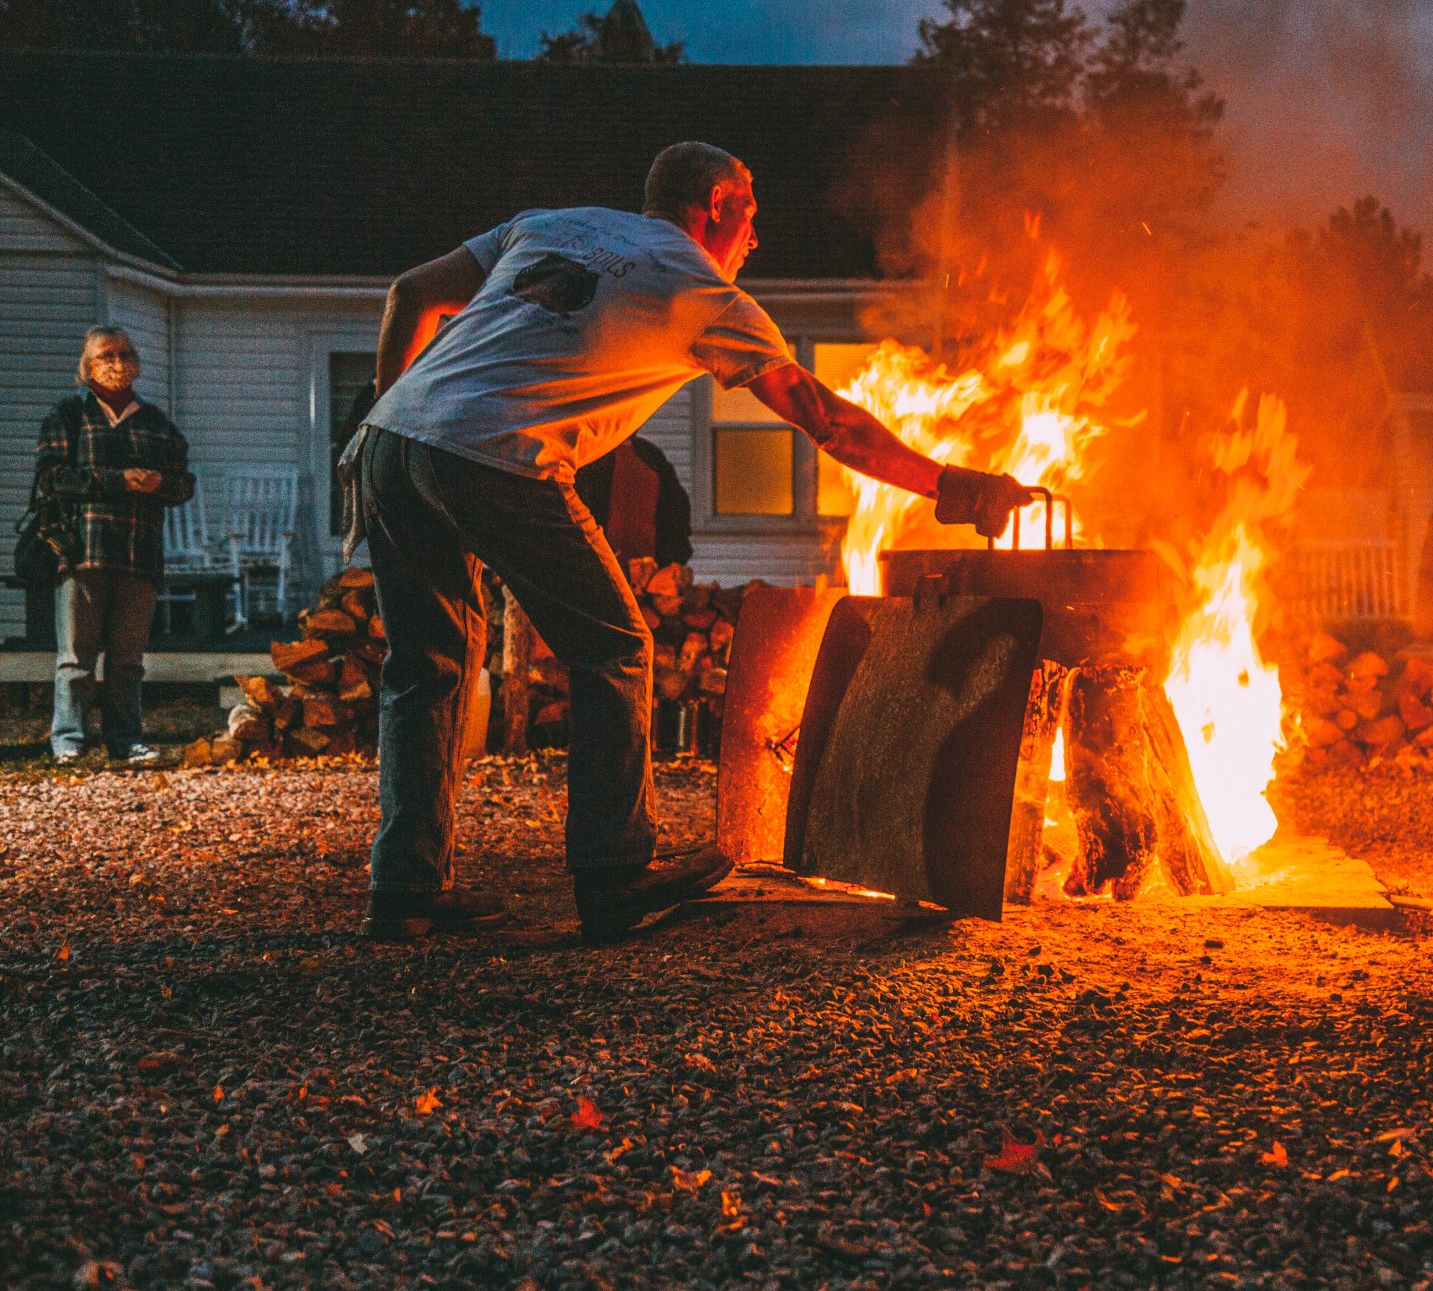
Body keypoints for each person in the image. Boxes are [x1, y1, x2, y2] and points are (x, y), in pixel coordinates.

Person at [348, 141, 1030, 943]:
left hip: (391, 441)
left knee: (424, 669)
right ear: (716, 205)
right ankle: (613, 870)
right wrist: (951, 485)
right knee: (615, 646)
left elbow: (412, 293)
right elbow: (830, 422)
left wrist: (388, 410)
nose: (756, 238)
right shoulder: (702, 291)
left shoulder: (549, 225)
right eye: (750, 214)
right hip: (502, 453)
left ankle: (406, 889)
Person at [35, 326, 195, 764]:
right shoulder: (68, 415)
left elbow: (184, 484)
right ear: (87, 367)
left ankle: (125, 740)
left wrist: (162, 483)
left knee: (127, 659)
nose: (118, 361)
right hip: (81, 551)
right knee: (76, 657)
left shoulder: (156, 422)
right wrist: (115, 480)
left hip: (138, 555)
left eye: (125, 353)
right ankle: (68, 739)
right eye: (107, 354)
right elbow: (51, 479)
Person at [575, 433, 692, 570]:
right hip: (601, 569)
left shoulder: (651, 457)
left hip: (647, 571)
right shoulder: (588, 457)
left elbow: (675, 513)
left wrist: (672, 562)